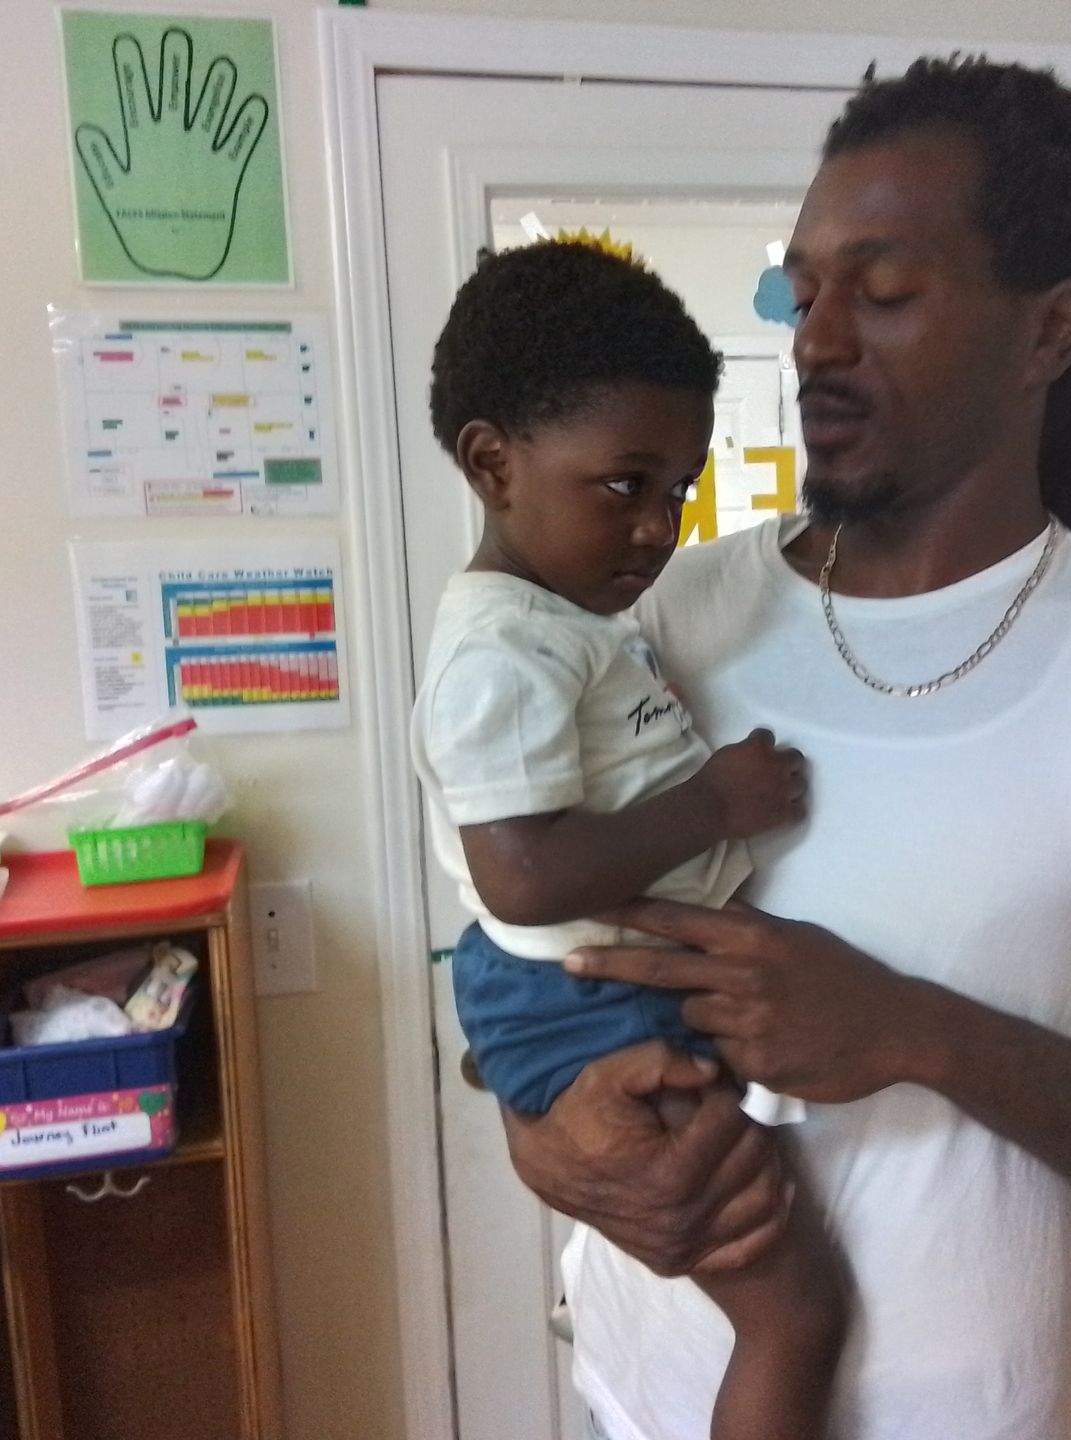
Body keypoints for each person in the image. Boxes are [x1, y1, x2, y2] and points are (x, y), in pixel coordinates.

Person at [499, 57, 1071, 1440]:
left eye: (886, 289)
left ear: (1050, 334)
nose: (818, 337)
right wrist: (540, 1134)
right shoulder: (673, 612)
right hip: (631, 1386)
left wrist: (916, 1030)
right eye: (806, 291)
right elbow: (521, 919)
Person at [409, 236, 846, 1440]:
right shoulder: (503, 649)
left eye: (681, 493)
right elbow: (523, 873)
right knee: (794, 1312)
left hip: (590, 993)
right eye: (624, 486)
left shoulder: (567, 625)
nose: (657, 529)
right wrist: (717, 803)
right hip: (589, 1005)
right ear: (493, 464)